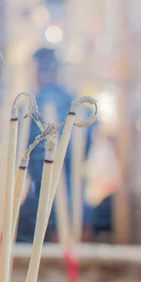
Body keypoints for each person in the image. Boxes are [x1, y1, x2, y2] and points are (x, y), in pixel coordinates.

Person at [16, 47, 94, 242]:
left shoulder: (34, 105)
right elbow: (87, 143)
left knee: (26, 239)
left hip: (44, 196)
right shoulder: (74, 101)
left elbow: (31, 154)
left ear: (38, 71)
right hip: (75, 199)